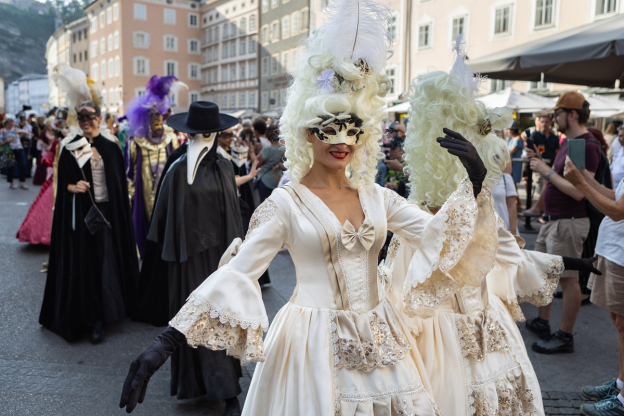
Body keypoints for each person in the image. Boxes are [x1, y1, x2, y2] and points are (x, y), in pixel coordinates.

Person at [119, 4, 489, 414]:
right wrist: (166, 341)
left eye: (352, 127)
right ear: (306, 134)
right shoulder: (286, 203)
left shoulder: (378, 196)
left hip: (384, 340)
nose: (342, 138)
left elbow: (440, 234)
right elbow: (239, 271)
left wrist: (473, 180)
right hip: (313, 345)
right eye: (328, 128)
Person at [385, 38, 599, 415]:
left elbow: (507, 252)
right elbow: (425, 267)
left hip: (488, 329)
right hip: (438, 341)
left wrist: (569, 263)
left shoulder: (481, 205)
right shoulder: (414, 215)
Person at [140, 101, 244, 414]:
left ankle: (227, 390)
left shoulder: (224, 166)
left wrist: (237, 257)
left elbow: (233, 214)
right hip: (186, 260)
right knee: (193, 324)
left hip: (219, 260)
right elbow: (163, 223)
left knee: (219, 321)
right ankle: (199, 385)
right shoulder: (176, 170)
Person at [40, 101, 139, 343]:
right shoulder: (71, 147)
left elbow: (117, 183)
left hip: (108, 213)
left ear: (100, 118)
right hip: (82, 215)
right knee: (85, 263)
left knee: (106, 262)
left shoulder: (111, 147)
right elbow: (62, 184)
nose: (86, 121)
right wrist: (73, 186)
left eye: (90, 116)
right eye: (81, 117)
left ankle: (101, 318)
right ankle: (86, 316)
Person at [526, 91, 603, 354]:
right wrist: (545, 166)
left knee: (568, 281)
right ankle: (543, 321)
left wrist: (544, 170)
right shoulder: (571, 143)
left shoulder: (582, 144)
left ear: (572, 114)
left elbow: (578, 191)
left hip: (568, 222)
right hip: (555, 221)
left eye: (557, 113)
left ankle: (564, 335)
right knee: (547, 274)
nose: (553, 118)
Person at [564, 158, 624, 416]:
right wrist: (588, 177)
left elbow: (618, 211)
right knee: (620, 324)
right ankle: (622, 384)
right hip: (615, 252)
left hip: (621, 254)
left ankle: (623, 400)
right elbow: (616, 195)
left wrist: (580, 184)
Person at [123, 75, 181, 258]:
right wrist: (131, 194)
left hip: (166, 191)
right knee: (147, 224)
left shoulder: (171, 138)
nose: (157, 119)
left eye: (159, 115)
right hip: (145, 192)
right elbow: (129, 172)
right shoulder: (136, 143)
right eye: (152, 115)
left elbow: (178, 165)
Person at [256, 123, 284, 202]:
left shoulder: (267, 149)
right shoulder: (284, 149)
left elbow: (256, 163)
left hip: (266, 181)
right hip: (279, 180)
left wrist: (253, 150)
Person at [0, 118, 29, 189]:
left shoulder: (15, 129)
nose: (11, 126)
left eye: (12, 124)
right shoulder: (2, 131)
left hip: (19, 149)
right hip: (10, 150)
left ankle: (21, 182)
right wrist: (7, 140)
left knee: (23, 165)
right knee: (10, 167)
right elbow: (0, 143)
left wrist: (19, 130)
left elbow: (27, 133)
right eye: (10, 124)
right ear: (6, 124)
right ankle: (11, 183)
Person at [492, 160, 519, 234]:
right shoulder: (475, 178)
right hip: (483, 230)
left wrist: (513, 231)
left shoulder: (505, 178)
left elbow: (512, 205)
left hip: (504, 229)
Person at [33, 118, 57, 185]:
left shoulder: (55, 132)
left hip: (53, 151)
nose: (50, 126)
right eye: (49, 125)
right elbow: (40, 142)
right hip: (45, 151)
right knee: (43, 166)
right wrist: (46, 146)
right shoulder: (43, 133)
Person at [507, 121, 524, 185]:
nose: (507, 131)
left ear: (513, 129)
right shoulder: (511, 139)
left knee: (513, 183)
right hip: (510, 162)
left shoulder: (518, 139)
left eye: (509, 129)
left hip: (516, 163)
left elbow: (512, 151)